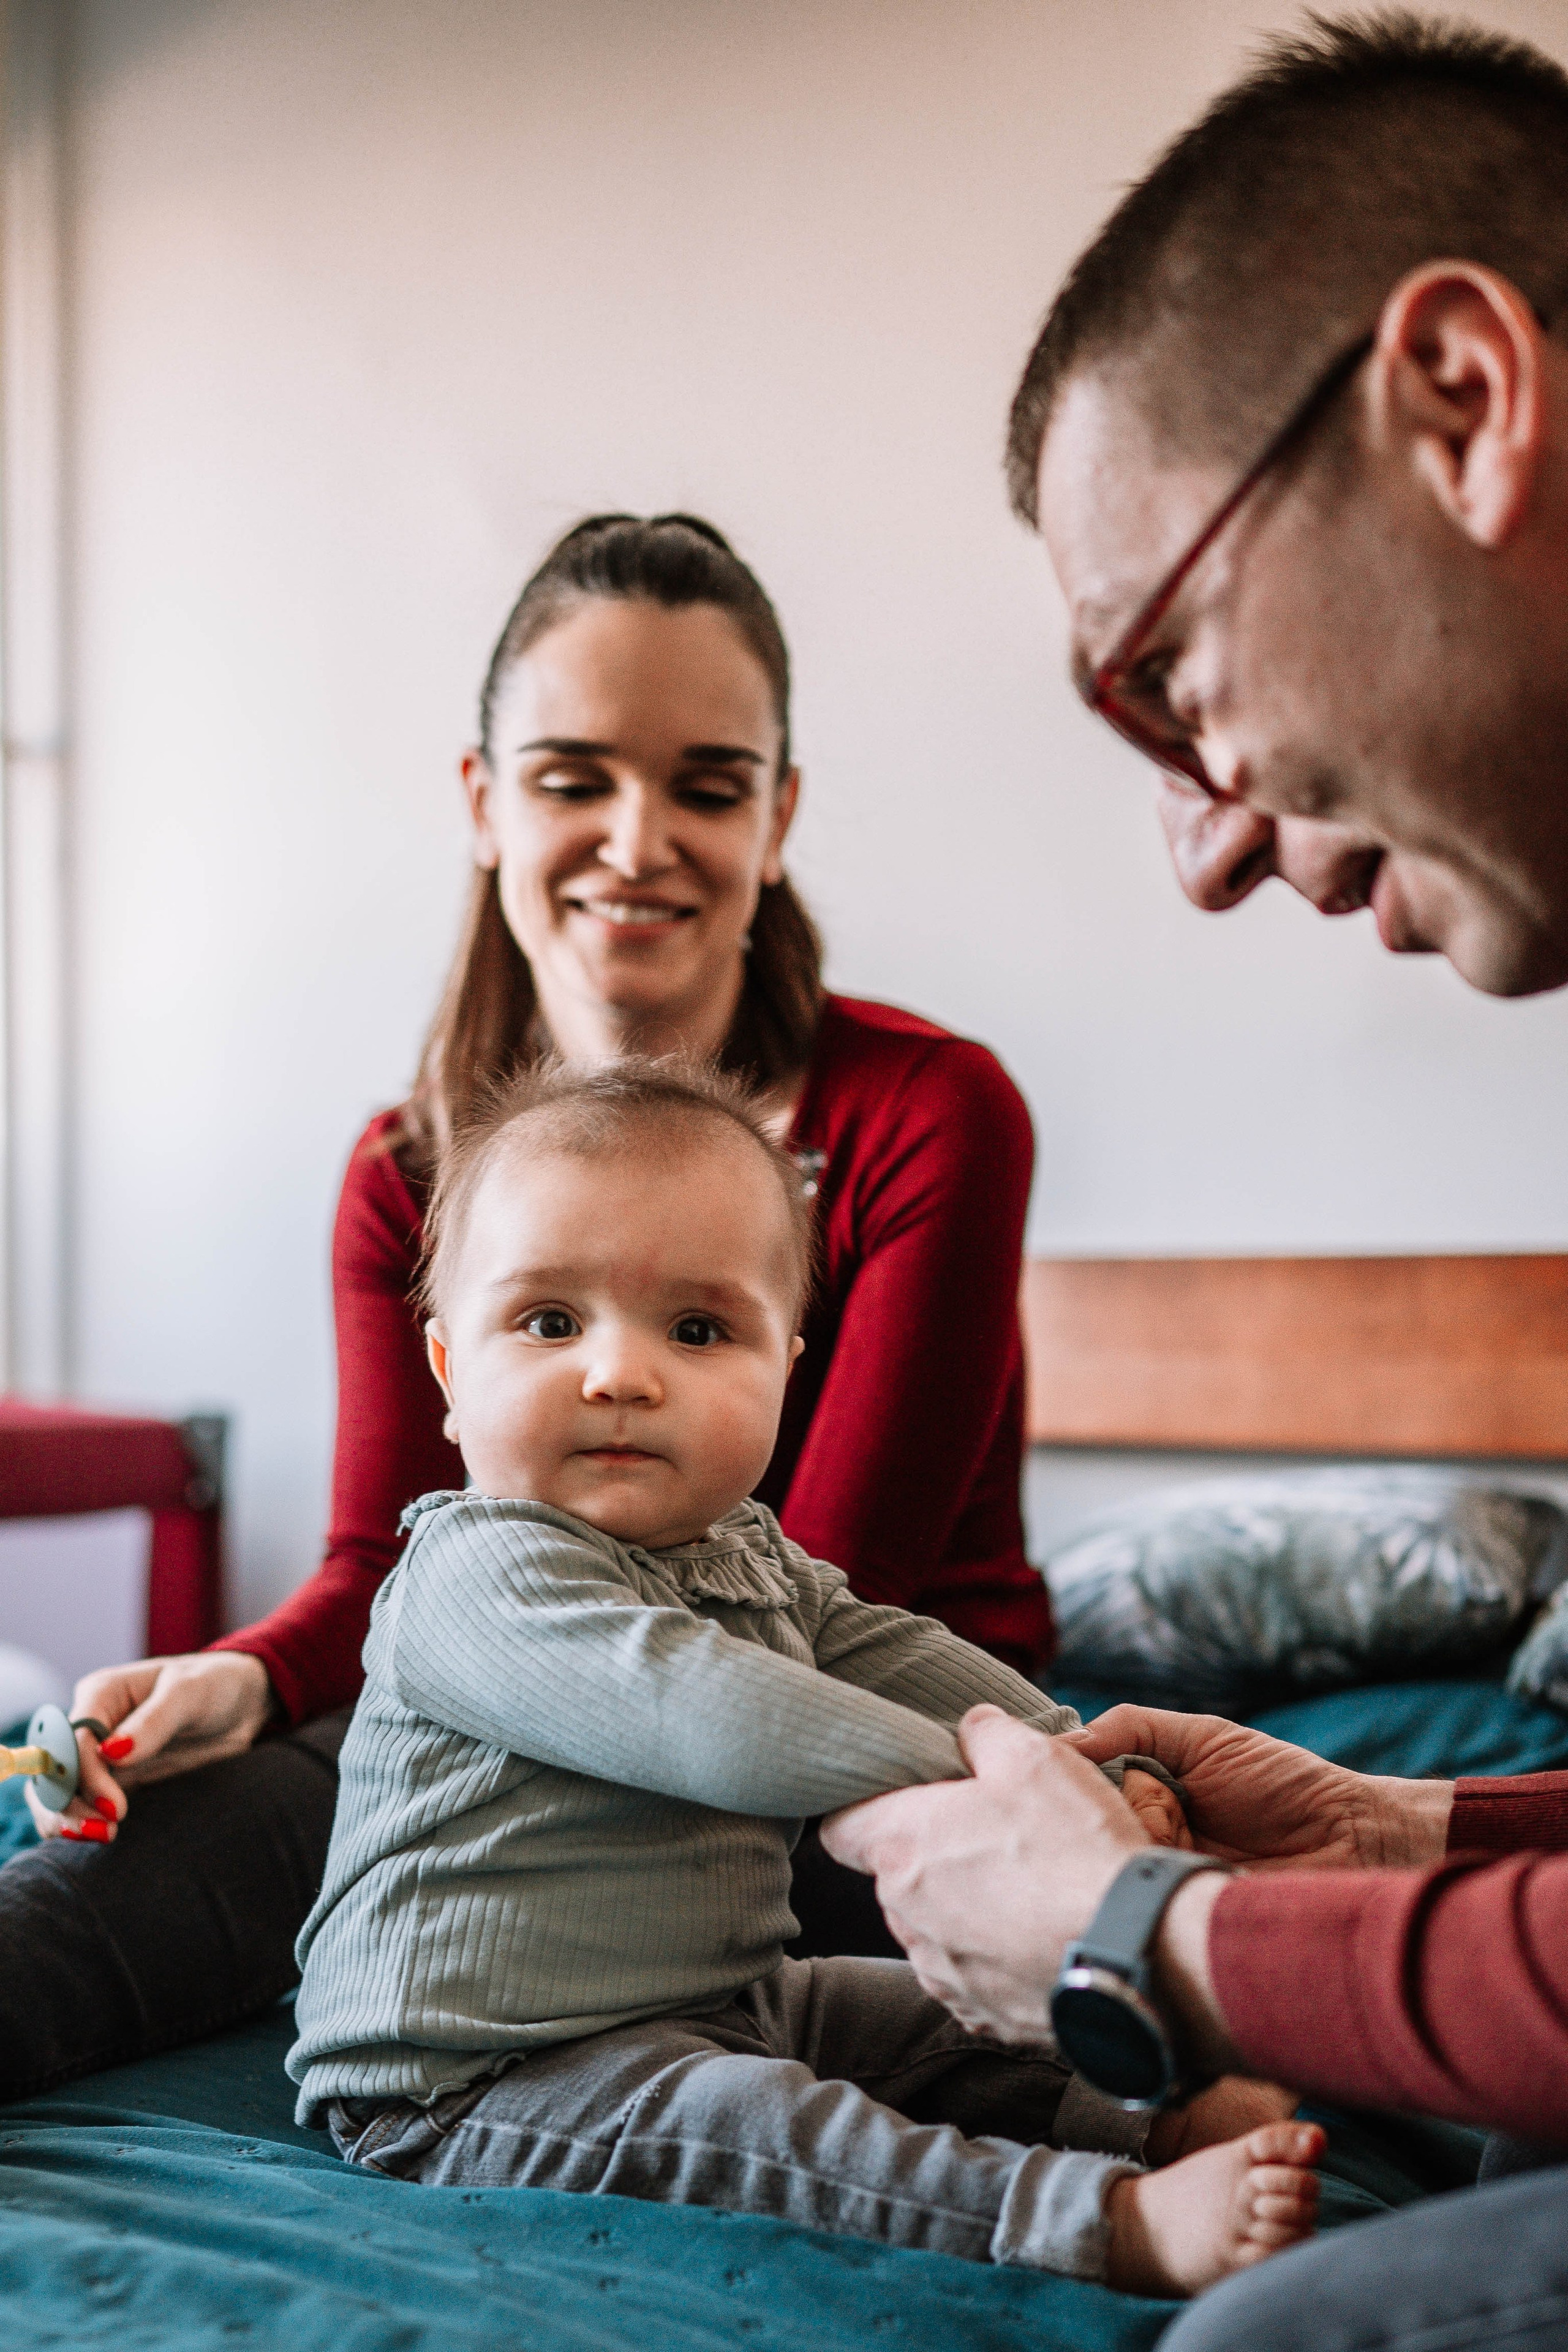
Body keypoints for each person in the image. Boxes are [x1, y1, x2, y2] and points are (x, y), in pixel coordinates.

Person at [826, 15, 1568, 2348]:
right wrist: (1394, 1831)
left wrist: (1149, 1937)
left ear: (1463, 402)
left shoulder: (931, 1105)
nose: (1207, 850)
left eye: (1164, 680)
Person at [1, 513, 1050, 2096]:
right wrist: (254, 1677)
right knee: (214, 1827)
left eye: (708, 787)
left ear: (778, 818)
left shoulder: (928, 1114)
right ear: (485, 804)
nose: (638, 840)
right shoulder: (407, 1170)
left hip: (853, 1747)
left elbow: (815, 1600)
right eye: (573, 780)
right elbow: (395, 1561)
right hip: (539, 1715)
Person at [288, 1054, 1322, 2301]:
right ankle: (1100, 2221)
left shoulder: (750, 1561)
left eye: (697, 1330)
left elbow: (912, 1662)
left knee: (952, 2012)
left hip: (734, 1996)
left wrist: (1087, 1760)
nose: (619, 1375)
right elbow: (701, 1710)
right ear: (451, 1376)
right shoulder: (476, 1574)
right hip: (474, 2075)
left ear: (784, 1367)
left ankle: (1157, 2105)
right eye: (550, 1322)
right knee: (759, 2124)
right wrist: (1018, 1802)